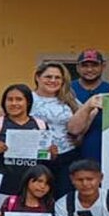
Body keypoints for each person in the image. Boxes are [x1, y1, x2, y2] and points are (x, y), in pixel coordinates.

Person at [0, 84, 55, 197]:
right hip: (2, 187)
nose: (14, 103)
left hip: (33, 189)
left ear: (28, 102)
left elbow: (48, 159)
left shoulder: (40, 125)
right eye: (10, 99)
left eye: (19, 99)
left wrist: (52, 153)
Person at [30, 62, 82, 198]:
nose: (53, 81)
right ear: (37, 77)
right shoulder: (27, 98)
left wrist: (80, 137)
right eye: (48, 77)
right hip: (37, 157)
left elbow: (88, 116)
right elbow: (0, 118)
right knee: (38, 197)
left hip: (67, 156)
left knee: (64, 196)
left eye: (57, 77)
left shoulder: (69, 99)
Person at [71, 49, 109, 162]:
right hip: (71, 151)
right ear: (78, 67)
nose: (89, 69)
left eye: (94, 65)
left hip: (103, 151)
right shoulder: (67, 90)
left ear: (103, 66)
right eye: (85, 65)